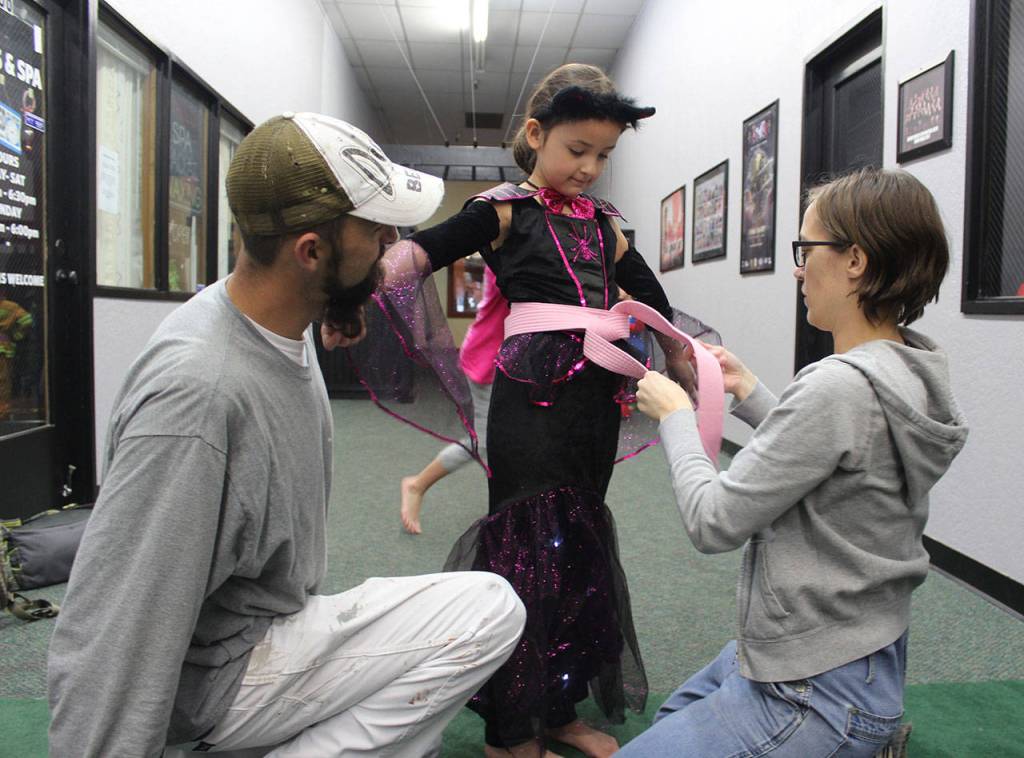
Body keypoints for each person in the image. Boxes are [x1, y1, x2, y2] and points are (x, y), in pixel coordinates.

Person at [47, 113, 526, 758]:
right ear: (310, 251)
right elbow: (116, 622)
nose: (392, 241)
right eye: (377, 228)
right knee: (491, 609)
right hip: (218, 681)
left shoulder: (268, 310)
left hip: (259, 629)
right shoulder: (199, 396)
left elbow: (345, 281)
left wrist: (343, 300)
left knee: (419, 727)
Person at [373, 63, 704, 758]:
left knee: (578, 553)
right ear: (536, 134)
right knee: (528, 557)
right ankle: (509, 732)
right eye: (577, 150)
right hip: (531, 404)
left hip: (594, 408)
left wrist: (681, 355)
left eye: (604, 156)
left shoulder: (608, 226)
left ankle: (557, 707)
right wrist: (351, 288)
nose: (589, 168)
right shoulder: (501, 212)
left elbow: (650, 299)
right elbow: (423, 252)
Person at [621, 168, 969, 756]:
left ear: (855, 260)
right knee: (674, 714)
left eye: (807, 250)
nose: (798, 269)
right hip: (861, 653)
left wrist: (675, 414)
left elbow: (714, 522)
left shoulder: (836, 387)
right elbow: (842, 453)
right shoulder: (908, 368)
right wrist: (750, 390)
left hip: (815, 689)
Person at [400, 265, 506, 534]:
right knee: (484, 443)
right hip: (488, 360)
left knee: (510, 440)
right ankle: (417, 484)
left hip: (507, 360)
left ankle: (506, 507)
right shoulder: (510, 258)